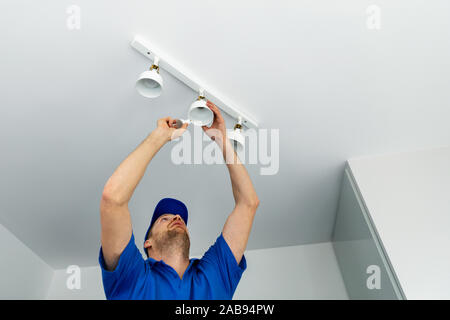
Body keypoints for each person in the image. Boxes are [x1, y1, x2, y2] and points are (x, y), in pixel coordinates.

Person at [98, 100, 260, 299]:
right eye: (164, 218)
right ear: (147, 242)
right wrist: (159, 137)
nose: (176, 217)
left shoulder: (213, 275)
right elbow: (112, 199)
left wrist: (221, 140)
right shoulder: (132, 277)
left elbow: (248, 204)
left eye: (178, 217)